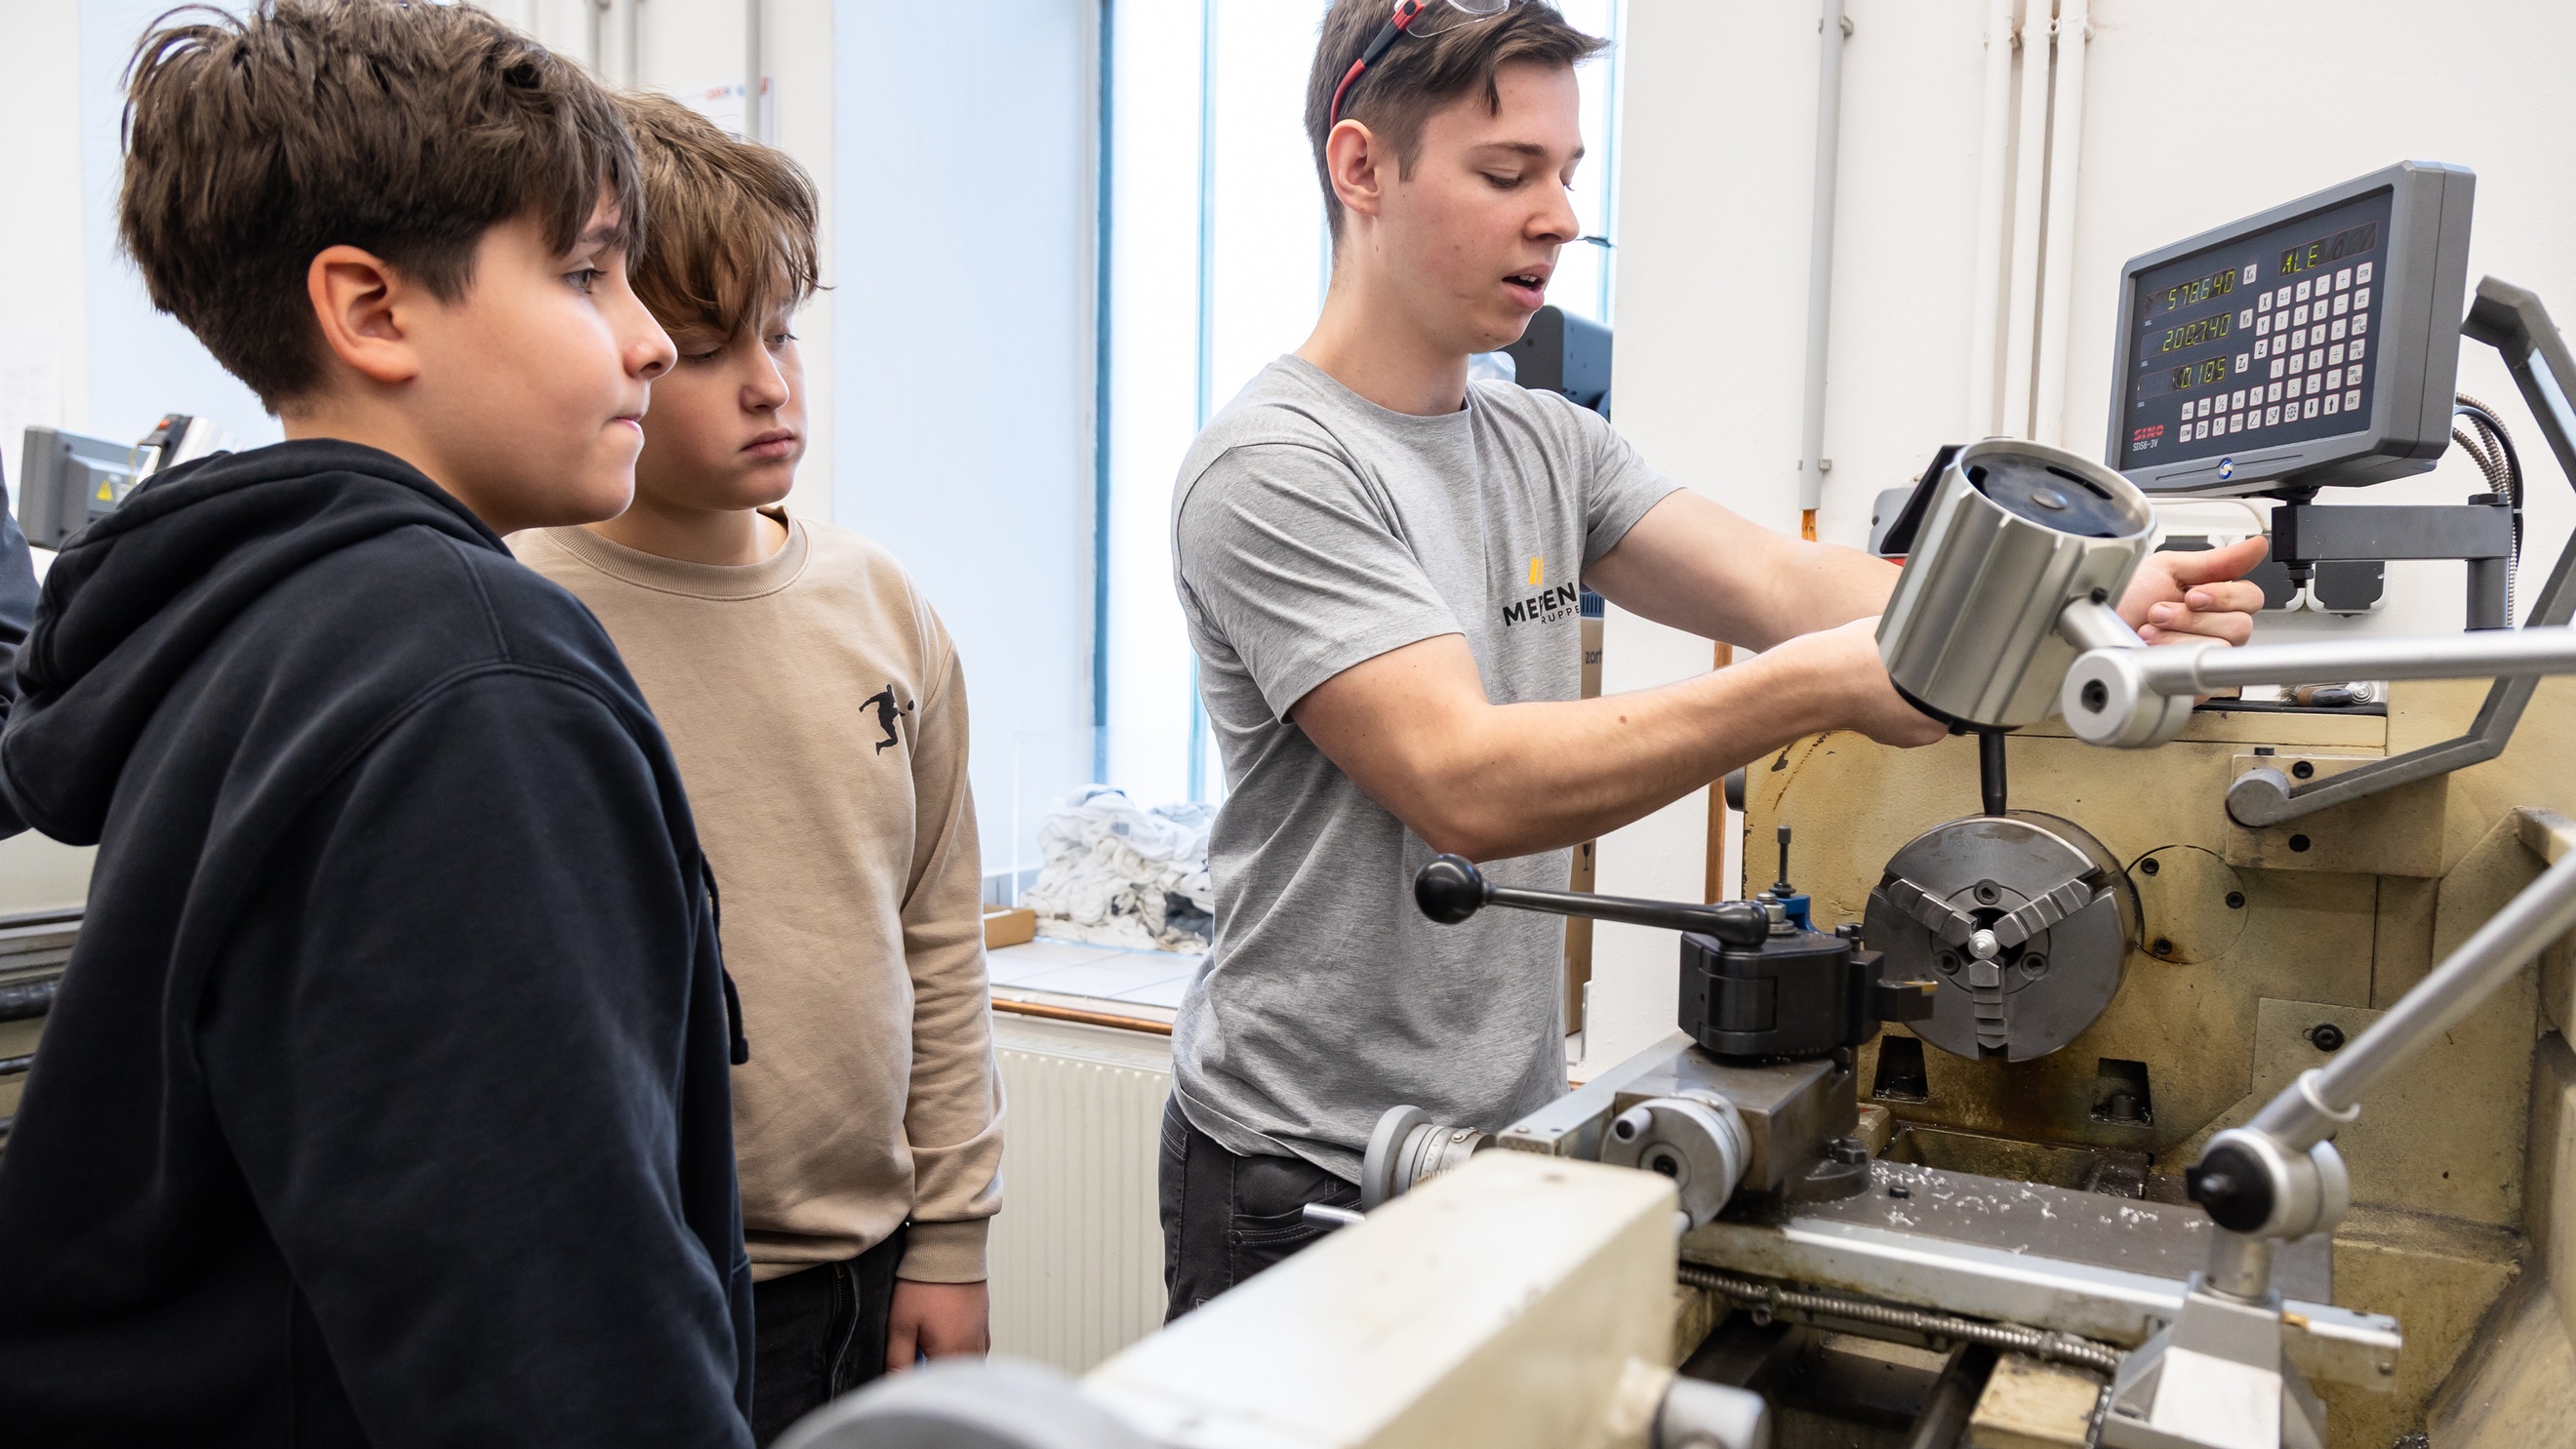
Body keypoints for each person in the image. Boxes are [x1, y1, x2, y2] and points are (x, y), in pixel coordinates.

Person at [1157, 0, 2270, 1319]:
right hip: (1302, 1176)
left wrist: (2081, 600)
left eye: (1567, 174)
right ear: (1362, 169)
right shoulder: (1278, 466)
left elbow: (1788, 582)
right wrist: (1813, 688)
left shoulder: (1543, 444)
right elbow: (1466, 781)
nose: (1560, 216)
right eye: (1508, 173)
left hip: (1493, 1141)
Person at [0, 5, 756, 1442]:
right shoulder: (469, 678)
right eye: (590, 274)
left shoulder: (271, 615)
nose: (653, 341)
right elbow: (555, 1356)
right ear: (371, 308)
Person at [513, 94, 1003, 1444]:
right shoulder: (522, 613)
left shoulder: (879, 602)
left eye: (781, 331)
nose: (771, 382)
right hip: (653, 1280)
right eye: (707, 346)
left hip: (877, 1260)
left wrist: (952, 1235)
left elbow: (937, 939)